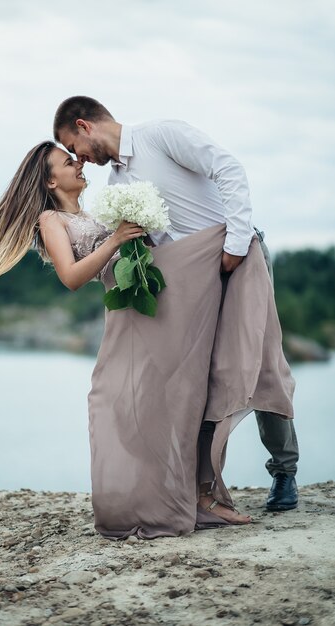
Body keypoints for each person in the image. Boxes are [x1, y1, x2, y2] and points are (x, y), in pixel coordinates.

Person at [0, 140, 272, 541]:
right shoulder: (49, 220)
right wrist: (116, 239)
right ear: (51, 179)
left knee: (179, 397)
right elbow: (71, 278)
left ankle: (197, 497)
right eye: (68, 162)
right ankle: (139, 504)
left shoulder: (90, 214)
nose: (79, 165)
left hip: (147, 311)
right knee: (122, 405)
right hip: (125, 322)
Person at [53, 96, 299, 513]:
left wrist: (236, 246)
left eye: (73, 147)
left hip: (238, 260)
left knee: (258, 365)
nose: (79, 159)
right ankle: (196, 486)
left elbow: (229, 169)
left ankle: (284, 472)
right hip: (190, 286)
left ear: (84, 125)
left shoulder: (162, 135)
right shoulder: (115, 188)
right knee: (202, 376)